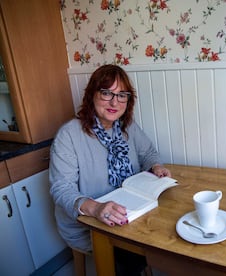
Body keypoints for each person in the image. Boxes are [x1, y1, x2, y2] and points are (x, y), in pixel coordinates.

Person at [49, 64, 171, 275]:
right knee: (134, 254)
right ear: (91, 95)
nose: (115, 102)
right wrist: (96, 208)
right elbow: (61, 189)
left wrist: (156, 166)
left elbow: (149, 153)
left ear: (128, 100)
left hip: (129, 212)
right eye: (107, 93)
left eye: (122, 95)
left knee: (166, 234)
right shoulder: (69, 135)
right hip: (88, 225)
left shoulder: (127, 126)